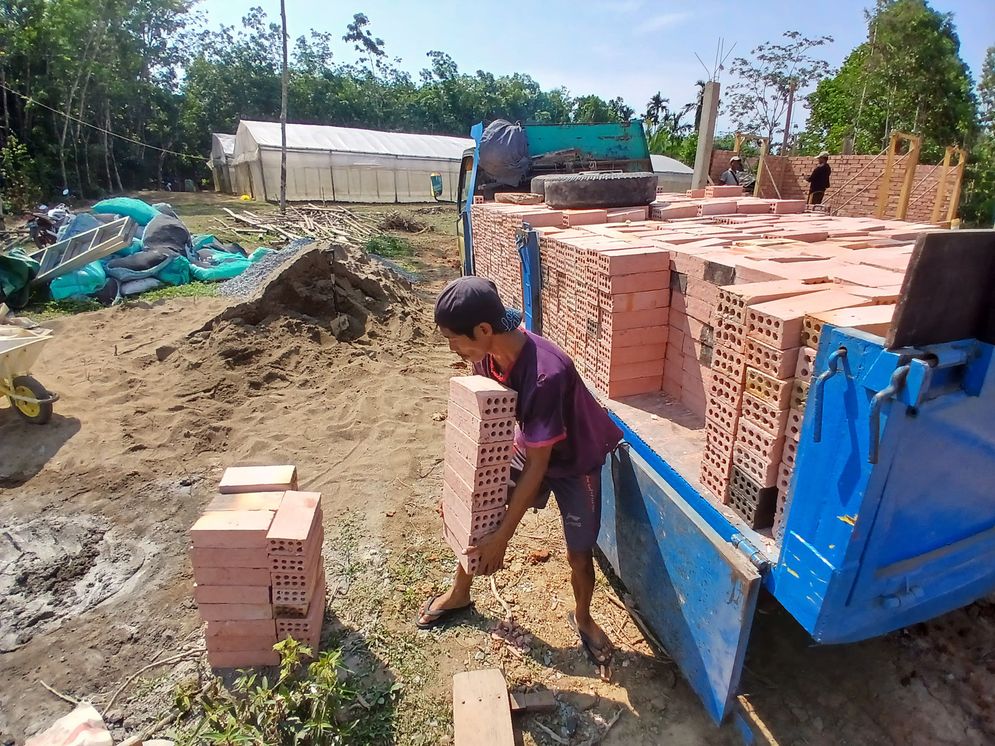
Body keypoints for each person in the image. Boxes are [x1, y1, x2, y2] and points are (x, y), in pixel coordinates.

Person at [418, 276, 623, 679]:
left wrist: (503, 538)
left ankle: (583, 618)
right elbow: (491, 428)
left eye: (453, 339)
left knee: (579, 552)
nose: (451, 349)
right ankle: (460, 593)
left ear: (483, 330)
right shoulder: (485, 357)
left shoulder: (548, 372)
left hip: (573, 458)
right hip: (531, 442)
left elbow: (538, 465)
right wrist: (464, 493)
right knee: (481, 506)